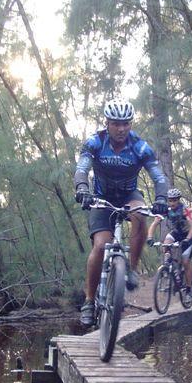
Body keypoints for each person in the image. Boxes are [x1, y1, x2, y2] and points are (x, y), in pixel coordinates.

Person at [74, 98, 169, 326]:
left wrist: (162, 198)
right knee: (100, 245)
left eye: (126, 123)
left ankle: (131, 270)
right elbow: (82, 169)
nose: (121, 128)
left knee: (139, 214)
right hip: (101, 197)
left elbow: (158, 177)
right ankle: (89, 300)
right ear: (107, 122)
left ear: (131, 124)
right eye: (116, 123)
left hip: (129, 195)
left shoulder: (141, 147)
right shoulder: (95, 142)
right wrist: (82, 188)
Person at [146, 188, 192, 299]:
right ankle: (168, 266)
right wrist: (149, 237)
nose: (172, 203)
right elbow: (155, 224)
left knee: (185, 261)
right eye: (170, 200)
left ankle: (188, 290)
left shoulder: (185, 209)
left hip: (188, 235)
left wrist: (188, 239)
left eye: (174, 200)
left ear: (178, 200)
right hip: (176, 233)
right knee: (166, 243)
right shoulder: (166, 210)